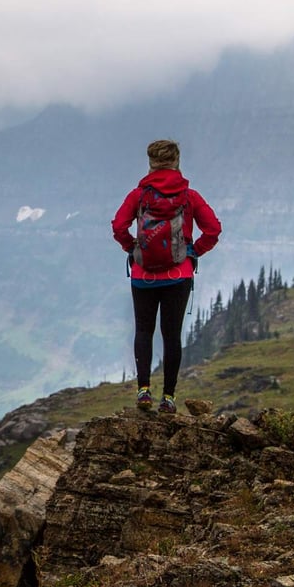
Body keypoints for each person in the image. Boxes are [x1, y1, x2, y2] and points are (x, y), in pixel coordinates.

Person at [111, 139, 221, 414]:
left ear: (151, 163)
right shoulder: (189, 197)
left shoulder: (138, 196)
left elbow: (118, 226)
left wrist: (132, 248)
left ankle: (144, 390)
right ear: (176, 162)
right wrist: (193, 252)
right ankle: (169, 398)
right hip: (178, 275)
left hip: (142, 276)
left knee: (144, 331)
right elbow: (213, 230)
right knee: (171, 335)